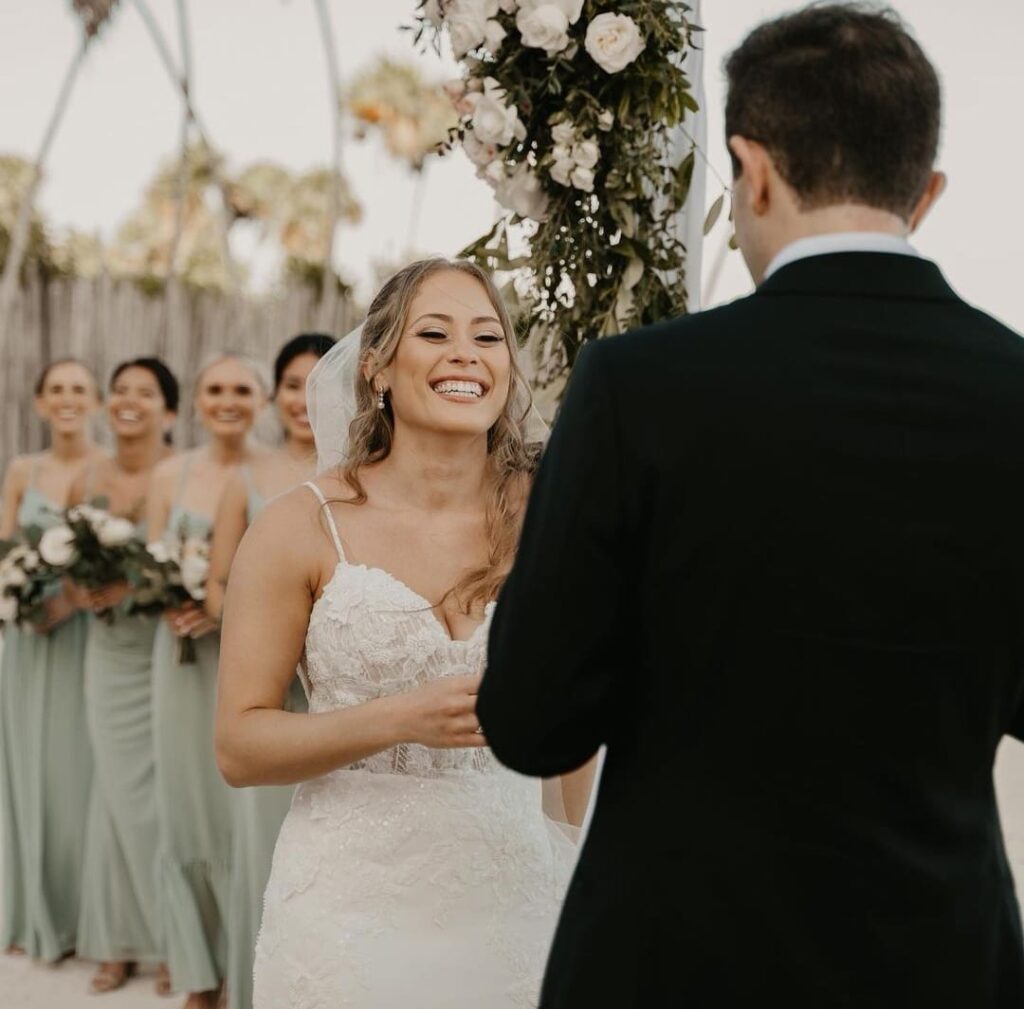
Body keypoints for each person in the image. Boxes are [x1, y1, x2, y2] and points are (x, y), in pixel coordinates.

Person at [478, 5, 1024, 1007]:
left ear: (751, 167)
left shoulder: (636, 386)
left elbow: (531, 721)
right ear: (926, 189)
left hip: (675, 957)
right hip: (936, 959)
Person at [216, 259, 591, 1009]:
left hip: (516, 893)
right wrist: (400, 717)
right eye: (434, 332)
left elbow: (583, 715)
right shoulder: (300, 525)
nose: (466, 353)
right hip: (346, 911)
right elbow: (238, 746)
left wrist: (580, 858)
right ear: (379, 367)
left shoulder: (560, 514)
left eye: (488, 336)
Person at [205, 332, 334, 1009]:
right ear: (275, 395)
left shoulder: (370, 472)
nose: (304, 398)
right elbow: (218, 584)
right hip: (265, 692)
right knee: (257, 837)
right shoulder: (248, 478)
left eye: (319, 382)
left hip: (342, 693)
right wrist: (274, 639)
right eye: (291, 383)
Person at [147, 353, 268, 1009]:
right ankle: (196, 968)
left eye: (241, 389)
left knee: (237, 813)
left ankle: (243, 957)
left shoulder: (273, 472)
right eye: (215, 389)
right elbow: (146, 563)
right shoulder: (172, 474)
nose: (228, 399)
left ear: (265, 399)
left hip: (248, 666)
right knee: (185, 807)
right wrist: (166, 598)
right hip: (179, 667)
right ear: (195, 402)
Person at [73, 358, 178, 995]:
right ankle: (116, 941)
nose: (127, 400)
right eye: (119, 390)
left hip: (167, 649)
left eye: (145, 391)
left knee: (165, 797)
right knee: (112, 794)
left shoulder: (184, 472)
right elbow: (59, 554)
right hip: (108, 652)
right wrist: (75, 592)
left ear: (169, 410)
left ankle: (178, 940)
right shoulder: (89, 474)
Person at [0, 359, 104, 961]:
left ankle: (82, 917)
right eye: (56, 389)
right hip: (29, 640)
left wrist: (69, 599)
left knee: (80, 771)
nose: (67, 399)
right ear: (40, 402)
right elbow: (8, 545)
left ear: (94, 402)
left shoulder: (109, 470)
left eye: (77, 390)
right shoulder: (23, 470)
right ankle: (32, 910)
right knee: (30, 767)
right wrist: (18, 594)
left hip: (86, 631)